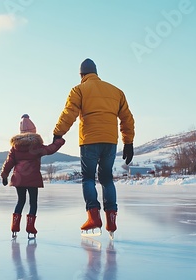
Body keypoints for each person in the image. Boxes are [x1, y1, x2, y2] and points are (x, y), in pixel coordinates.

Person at [52, 58, 135, 236]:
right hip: (110, 141)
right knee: (106, 179)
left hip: (89, 140)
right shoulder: (116, 91)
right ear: (96, 72)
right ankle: (111, 220)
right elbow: (127, 118)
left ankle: (94, 216)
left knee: (88, 178)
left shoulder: (79, 90)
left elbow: (70, 112)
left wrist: (58, 133)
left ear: (81, 75)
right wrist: (128, 142)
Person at [1, 114, 65, 238]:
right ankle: (30, 227)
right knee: (33, 203)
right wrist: (59, 141)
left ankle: (15, 226)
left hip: (19, 178)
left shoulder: (15, 146)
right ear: (33, 130)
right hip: (33, 178)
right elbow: (50, 149)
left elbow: (9, 162)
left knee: (20, 201)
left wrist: (4, 175)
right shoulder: (36, 146)